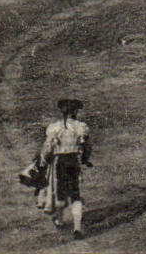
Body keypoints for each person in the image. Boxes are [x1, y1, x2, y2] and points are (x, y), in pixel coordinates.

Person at [36, 98, 92, 238]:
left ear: (62, 112)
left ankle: (59, 219)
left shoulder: (54, 128)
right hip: (74, 161)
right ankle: (77, 227)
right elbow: (87, 147)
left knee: (60, 193)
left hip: (59, 162)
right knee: (75, 194)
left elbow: (47, 148)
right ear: (76, 112)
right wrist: (85, 159)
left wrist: (43, 161)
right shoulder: (81, 127)